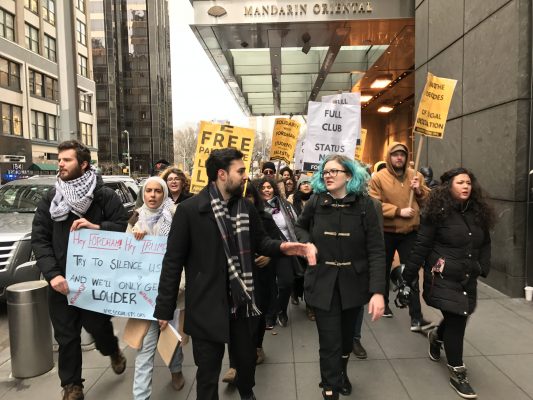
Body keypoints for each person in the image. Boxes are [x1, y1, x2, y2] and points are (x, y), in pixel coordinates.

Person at [154, 148, 315, 400]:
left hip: (242, 305)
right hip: (206, 306)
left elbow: (261, 242)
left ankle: (246, 393)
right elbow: (172, 262)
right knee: (207, 376)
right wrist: (164, 309)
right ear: (221, 174)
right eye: (240, 171)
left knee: (246, 365)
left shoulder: (247, 209)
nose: (245, 177)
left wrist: (285, 247)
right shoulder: (189, 210)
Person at [31, 140, 128, 400]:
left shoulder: (103, 195)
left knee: (98, 328)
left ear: (83, 164)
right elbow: (39, 239)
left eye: (66, 160)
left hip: (94, 282)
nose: (60, 163)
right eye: (59, 159)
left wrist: (97, 227)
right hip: (61, 283)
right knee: (67, 337)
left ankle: (112, 350)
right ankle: (72, 385)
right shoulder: (52, 198)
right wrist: (53, 275)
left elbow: (122, 228)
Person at [295, 154, 386, 400]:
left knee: (346, 340)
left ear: (349, 175)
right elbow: (299, 227)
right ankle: (330, 388)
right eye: (325, 171)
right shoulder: (315, 201)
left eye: (334, 171)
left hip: (353, 284)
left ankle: (341, 372)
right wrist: (307, 244)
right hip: (322, 282)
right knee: (329, 342)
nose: (328, 175)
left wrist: (378, 291)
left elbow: (376, 250)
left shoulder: (366, 205)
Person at [402, 168, 494, 399]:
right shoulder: (436, 212)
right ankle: (458, 372)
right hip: (441, 277)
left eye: (468, 182)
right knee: (457, 319)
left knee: (460, 314)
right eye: (460, 182)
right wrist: (407, 278)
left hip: (467, 277)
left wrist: (482, 267)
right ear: (448, 186)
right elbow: (421, 245)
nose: (466, 186)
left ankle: (436, 337)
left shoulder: (477, 212)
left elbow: (485, 244)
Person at [123, 177, 186, 399]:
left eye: (157, 191)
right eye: (148, 191)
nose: (152, 195)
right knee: (145, 349)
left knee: (172, 340)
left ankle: (176, 370)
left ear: (165, 194)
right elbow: (126, 255)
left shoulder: (177, 216)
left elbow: (183, 255)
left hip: (171, 294)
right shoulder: (136, 217)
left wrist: (175, 293)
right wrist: (136, 237)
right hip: (145, 296)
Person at [368, 142, 432, 330]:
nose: (399, 158)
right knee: (383, 268)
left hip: (410, 233)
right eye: (395, 154)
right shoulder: (379, 178)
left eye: (402, 155)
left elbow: (428, 200)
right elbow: (374, 204)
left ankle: (416, 317)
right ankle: (384, 302)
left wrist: (419, 190)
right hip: (386, 232)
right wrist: (397, 211)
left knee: (410, 274)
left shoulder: (416, 176)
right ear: (389, 157)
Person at [257, 177, 300, 328]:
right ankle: (270, 315)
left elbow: (296, 224)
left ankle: (281, 309)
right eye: (263, 187)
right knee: (269, 286)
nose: (266, 190)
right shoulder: (255, 208)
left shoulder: (286, 206)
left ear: (274, 188)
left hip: (284, 249)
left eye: (269, 187)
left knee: (286, 282)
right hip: (266, 251)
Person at [287, 174, 315, 320]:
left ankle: (310, 307)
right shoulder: (292, 200)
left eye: (308, 183)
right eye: (303, 183)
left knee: (311, 276)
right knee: (299, 274)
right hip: (296, 241)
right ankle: (295, 291)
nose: (305, 185)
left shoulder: (317, 199)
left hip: (313, 242)